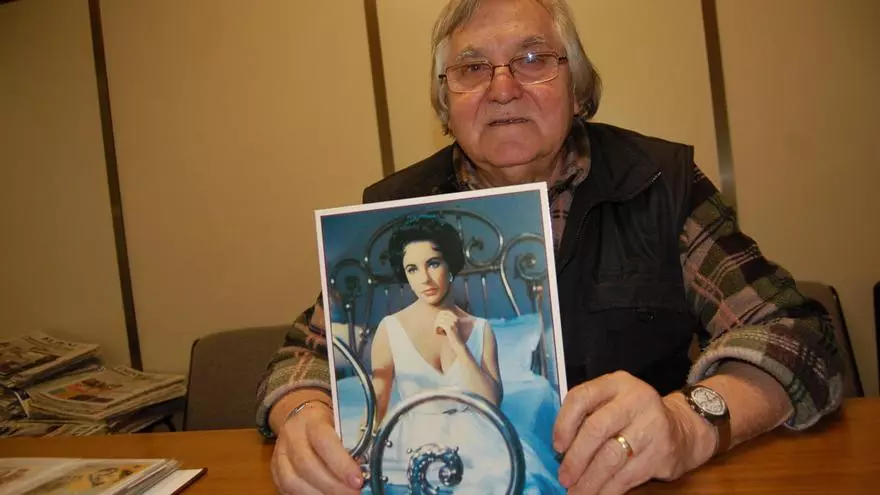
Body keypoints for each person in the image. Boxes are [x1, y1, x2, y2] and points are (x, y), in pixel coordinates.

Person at [258, 0, 844, 494]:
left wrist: (688, 425)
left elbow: (798, 336)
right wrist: (303, 415)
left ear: (577, 87)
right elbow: (301, 359)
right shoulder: (396, 212)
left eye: (533, 59)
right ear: (446, 103)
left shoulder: (659, 183)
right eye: (472, 68)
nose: (502, 88)